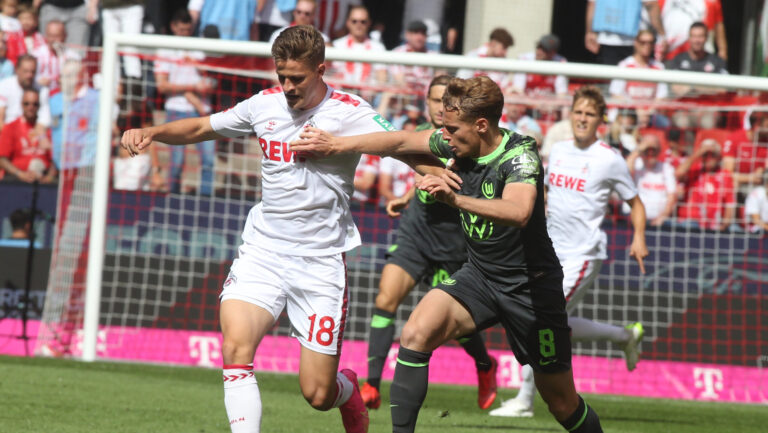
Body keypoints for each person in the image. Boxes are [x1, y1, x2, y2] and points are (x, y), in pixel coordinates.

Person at [121, 25, 442, 433]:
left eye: (297, 78)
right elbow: (203, 126)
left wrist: (431, 174)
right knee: (236, 347)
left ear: (320, 69)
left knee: (317, 394)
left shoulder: (350, 111)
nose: (287, 86)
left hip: (320, 262)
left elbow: (401, 144)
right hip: (263, 252)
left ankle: (349, 390)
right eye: (282, 76)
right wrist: (154, 132)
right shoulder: (264, 105)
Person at [291, 75, 604, 433]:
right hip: (481, 276)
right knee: (416, 332)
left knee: (561, 402)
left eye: (453, 130)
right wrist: (337, 145)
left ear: (481, 125)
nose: (445, 138)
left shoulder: (520, 156)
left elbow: (518, 212)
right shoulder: (455, 141)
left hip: (530, 289)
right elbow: (400, 140)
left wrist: (455, 199)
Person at [491, 85, 647, 418]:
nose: (582, 119)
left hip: (583, 255)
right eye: (578, 112)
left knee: (538, 317)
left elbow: (635, 203)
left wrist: (639, 237)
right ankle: (623, 336)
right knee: (556, 322)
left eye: (590, 114)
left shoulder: (609, 159)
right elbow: (542, 194)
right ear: (570, 114)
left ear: (600, 120)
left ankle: (524, 399)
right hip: (549, 250)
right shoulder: (558, 150)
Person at [360, 75, 498, 412]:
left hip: (454, 243)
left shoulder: (467, 141)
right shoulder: (423, 135)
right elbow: (425, 174)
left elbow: (453, 182)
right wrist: (408, 196)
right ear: (428, 104)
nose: (440, 108)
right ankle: (372, 385)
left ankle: (485, 365)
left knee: (451, 326)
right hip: (416, 233)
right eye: (435, 101)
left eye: (446, 102)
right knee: (385, 297)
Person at [155, 9, 215, 196]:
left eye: (188, 30)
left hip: (202, 111)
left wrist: (201, 84)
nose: (184, 34)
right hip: (176, 110)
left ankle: (206, 201)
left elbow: (212, 81)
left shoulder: (200, 48)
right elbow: (162, 85)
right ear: (173, 27)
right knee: (177, 161)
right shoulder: (165, 49)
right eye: (181, 30)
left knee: (208, 160)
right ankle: (172, 196)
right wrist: (192, 89)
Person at [676, 139, 735, 231]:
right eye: (705, 155)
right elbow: (678, 173)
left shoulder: (725, 176)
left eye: (713, 155)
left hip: (715, 223)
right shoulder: (694, 170)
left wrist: (724, 225)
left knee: (735, 230)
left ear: (719, 157)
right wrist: (699, 152)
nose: (709, 158)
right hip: (691, 220)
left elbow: (730, 205)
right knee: (691, 226)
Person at [0, 88, 56, 184]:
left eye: (35, 104)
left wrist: (50, 177)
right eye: (27, 104)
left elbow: (55, 159)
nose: (31, 107)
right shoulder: (11, 128)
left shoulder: (46, 130)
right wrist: (20, 174)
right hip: (16, 181)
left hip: (42, 180)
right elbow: (2, 159)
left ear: (39, 106)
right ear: (21, 104)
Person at [586, 0, 666, 65]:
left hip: (614, 41)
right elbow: (651, 6)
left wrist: (590, 32)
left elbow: (592, 4)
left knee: (610, 81)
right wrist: (662, 36)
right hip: (635, 42)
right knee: (636, 82)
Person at [625, 134, 677, 226]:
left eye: (654, 150)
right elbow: (624, 172)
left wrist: (663, 216)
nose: (650, 153)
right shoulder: (636, 164)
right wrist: (641, 148)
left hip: (658, 220)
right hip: (633, 216)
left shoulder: (666, 168)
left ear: (659, 151)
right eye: (647, 150)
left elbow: (672, 197)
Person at [331, 5, 387, 85]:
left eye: (363, 21)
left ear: (369, 23)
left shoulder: (378, 48)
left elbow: (382, 78)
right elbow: (331, 75)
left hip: (369, 94)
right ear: (348, 23)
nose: (358, 25)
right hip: (342, 92)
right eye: (354, 21)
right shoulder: (336, 45)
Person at [91, 0, 145, 79]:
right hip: (109, 7)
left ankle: (133, 88)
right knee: (110, 52)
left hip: (132, 5)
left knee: (130, 50)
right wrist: (92, 6)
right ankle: (111, 87)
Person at [610, 30, 668, 100]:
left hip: (652, 110)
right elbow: (615, 93)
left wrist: (649, 110)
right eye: (643, 42)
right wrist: (634, 108)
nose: (647, 46)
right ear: (636, 43)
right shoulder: (624, 65)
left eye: (650, 43)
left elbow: (662, 96)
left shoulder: (659, 67)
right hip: (628, 110)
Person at [660, 0, 726, 61]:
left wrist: (722, 50)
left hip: (704, 52)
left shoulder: (711, 1)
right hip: (671, 51)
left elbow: (718, 23)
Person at [0, 54, 50, 129]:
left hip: (32, 133)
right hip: (8, 131)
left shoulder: (42, 90)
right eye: (25, 71)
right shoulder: (4, 86)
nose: (29, 75)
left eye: (33, 72)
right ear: (17, 70)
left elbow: (44, 121)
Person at [457, 27, 514, 92]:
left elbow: (504, 88)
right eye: (504, 48)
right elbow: (461, 82)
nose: (505, 52)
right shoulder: (473, 57)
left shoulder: (503, 62)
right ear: (493, 43)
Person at [389, 20, 436, 91]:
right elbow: (399, 80)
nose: (420, 37)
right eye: (416, 33)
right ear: (407, 35)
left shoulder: (434, 56)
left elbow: (440, 79)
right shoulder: (398, 53)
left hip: (426, 97)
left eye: (423, 33)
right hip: (403, 96)